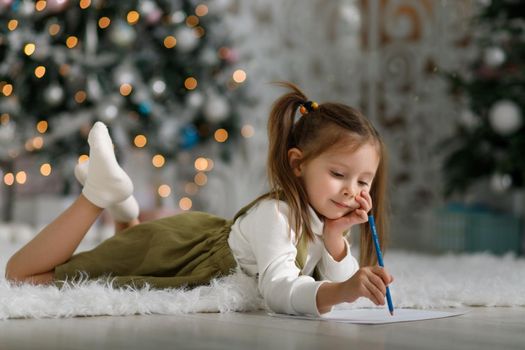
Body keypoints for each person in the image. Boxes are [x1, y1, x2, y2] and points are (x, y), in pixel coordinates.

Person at [5, 81, 394, 316]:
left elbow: (339, 289)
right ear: (297, 164)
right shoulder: (277, 217)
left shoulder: (317, 220)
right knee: (23, 277)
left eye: (363, 182)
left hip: (180, 245)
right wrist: (345, 290)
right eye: (338, 174)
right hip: (174, 249)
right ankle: (96, 197)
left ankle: (125, 211)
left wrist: (336, 238)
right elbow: (281, 291)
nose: (351, 191)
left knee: (128, 257)